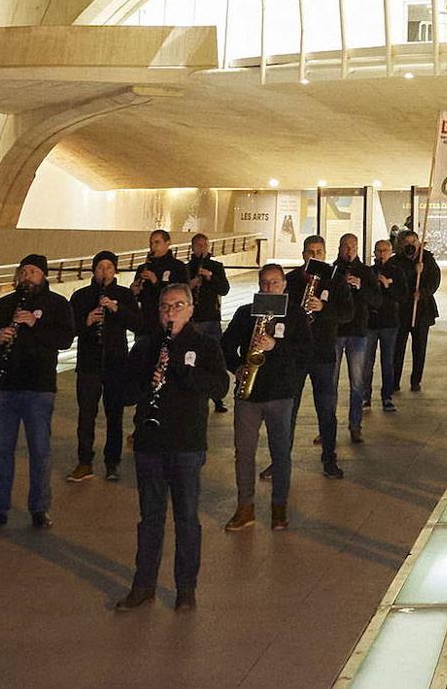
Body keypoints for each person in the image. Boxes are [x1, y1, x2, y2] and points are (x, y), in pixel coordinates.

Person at [115, 283, 229, 611]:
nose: (171, 312)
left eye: (178, 306)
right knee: (150, 518)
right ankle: (144, 585)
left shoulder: (205, 345)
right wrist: (144, 383)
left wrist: (182, 370)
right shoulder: (146, 347)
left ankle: (186, 588)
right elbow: (124, 394)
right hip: (150, 443)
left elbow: (220, 386)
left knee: (187, 519)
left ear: (191, 310)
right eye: (166, 306)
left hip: (187, 444)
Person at [0, 255, 76, 531]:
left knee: (40, 451)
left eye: (33, 271)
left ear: (43, 276)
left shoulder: (56, 304)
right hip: (5, 387)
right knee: (2, 452)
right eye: (24, 271)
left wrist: (35, 323)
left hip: (39, 388)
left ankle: (39, 509)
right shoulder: (4, 304)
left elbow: (65, 339)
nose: (28, 275)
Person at [222, 264, 311, 532]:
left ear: (284, 285)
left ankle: (279, 507)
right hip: (248, 396)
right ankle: (245, 507)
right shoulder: (245, 313)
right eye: (264, 283)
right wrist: (237, 366)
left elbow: (306, 351)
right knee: (244, 453)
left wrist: (276, 346)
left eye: (274, 282)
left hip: (281, 394)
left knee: (281, 453)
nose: (269, 287)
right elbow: (225, 346)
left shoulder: (295, 315)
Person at [67, 250, 141, 483]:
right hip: (89, 363)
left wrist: (117, 309)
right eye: (100, 267)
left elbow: (138, 324)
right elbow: (68, 331)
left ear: (115, 270)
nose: (104, 272)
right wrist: (87, 321)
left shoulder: (124, 294)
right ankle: (84, 461)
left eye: (109, 267)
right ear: (94, 270)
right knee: (86, 414)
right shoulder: (81, 296)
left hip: (116, 362)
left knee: (114, 414)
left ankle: (112, 462)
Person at [284, 235, 353, 479]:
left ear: (325, 254)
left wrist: (324, 308)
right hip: (296, 355)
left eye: (319, 251)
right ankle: (281, 460)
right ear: (303, 254)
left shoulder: (335, 281)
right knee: (288, 409)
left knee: (326, 409)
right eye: (310, 251)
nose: (315, 255)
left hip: (323, 353)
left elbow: (347, 313)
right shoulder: (291, 280)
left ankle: (329, 458)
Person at [332, 233, 382, 443]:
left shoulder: (367, 272)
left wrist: (360, 286)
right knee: (329, 382)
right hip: (335, 332)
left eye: (353, 247)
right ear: (340, 248)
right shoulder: (333, 271)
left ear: (358, 248)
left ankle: (355, 425)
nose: (349, 250)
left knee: (357, 382)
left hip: (358, 332)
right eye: (345, 246)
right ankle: (327, 427)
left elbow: (377, 300)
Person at [391, 230, 441, 393]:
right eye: (407, 242)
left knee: (419, 348)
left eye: (414, 242)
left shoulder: (427, 259)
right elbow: (396, 281)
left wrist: (424, 292)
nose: (411, 245)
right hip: (401, 311)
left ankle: (415, 381)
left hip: (422, 311)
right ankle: (394, 381)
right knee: (397, 348)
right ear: (401, 245)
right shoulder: (396, 262)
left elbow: (434, 280)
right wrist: (414, 271)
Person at [187, 233, 231, 413]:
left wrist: (210, 276)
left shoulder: (216, 266)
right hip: (193, 319)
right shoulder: (187, 267)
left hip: (211, 318)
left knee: (214, 357)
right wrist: (192, 283)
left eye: (204, 245)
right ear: (193, 247)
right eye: (198, 245)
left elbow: (225, 289)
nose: (202, 248)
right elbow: (181, 290)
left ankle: (217, 397)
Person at [365, 239, 408, 412]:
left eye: (385, 250)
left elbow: (402, 296)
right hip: (371, 323)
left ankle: (387, 396)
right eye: (378, 250)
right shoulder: (369, 272)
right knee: (367, 362)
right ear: (374, 253)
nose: (381, 253)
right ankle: (365, 396)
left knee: (387, 361)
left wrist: (387, 286)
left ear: (390, 252)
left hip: (389, 322)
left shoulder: (397, 272)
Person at [131, 229, 190, 339]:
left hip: (168, 322)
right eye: (151, 243)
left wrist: (156, 282)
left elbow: (182, 293)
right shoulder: (143, 268)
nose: (153, 246)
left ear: (167, 243)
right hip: (146, 322)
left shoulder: (178, 267)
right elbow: (139, 298)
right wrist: (134, 292)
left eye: (157, 242)